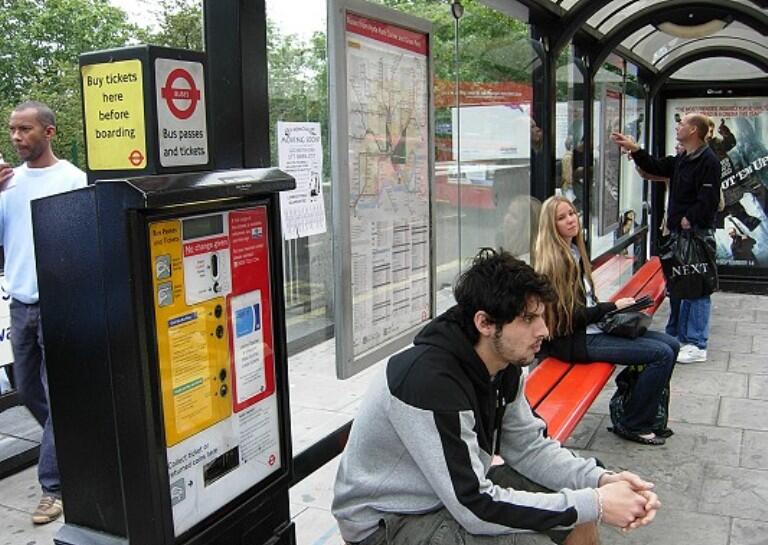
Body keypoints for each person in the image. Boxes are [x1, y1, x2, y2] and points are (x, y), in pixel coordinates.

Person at [333, 248, 661, 545]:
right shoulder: (428, 381)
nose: (544, 331)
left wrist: (601, 481)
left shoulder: (504, 364)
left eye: (542, 317)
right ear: (485, 323)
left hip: (452, 486)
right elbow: (474, 506)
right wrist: (597, 502)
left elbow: (528, 447)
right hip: (386, 520)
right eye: (528, 319)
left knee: (581, 521)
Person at [0, 101, 87, 524]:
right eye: (13, 130)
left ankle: (54, 487)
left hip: (60, 302)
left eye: (26, 129)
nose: (17, 137)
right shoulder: (7, 184)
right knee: (28, 387)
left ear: (49, 132)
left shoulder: (73, 179)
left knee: (57, 391)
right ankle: (73, 441)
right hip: (20, 304)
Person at [534, 196, 678, 446]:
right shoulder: (556, 263)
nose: (570, 220)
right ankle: (633, 422)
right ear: (551, 226)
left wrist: (610, 311)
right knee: (661, 354)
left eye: (571, 213)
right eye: (561, 217)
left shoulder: (574, 252)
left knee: (672, 345)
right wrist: (612, 307)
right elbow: (565, 320)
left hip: (593, 329)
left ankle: (636, 407)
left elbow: (585, 304)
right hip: (575, 340)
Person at [612, 114, 720, 365]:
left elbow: (710, 199)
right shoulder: (683, 158)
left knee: (698, 286)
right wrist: (636, 150)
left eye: (682, 125)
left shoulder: (708, 161)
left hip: (695, 235)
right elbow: (657, 167)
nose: (677, 127)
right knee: (683, 285)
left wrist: (688, 219)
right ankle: (682, 337)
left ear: (694, 130)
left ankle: (697, 343)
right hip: (679, 235)